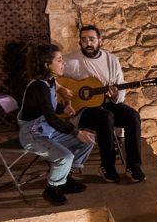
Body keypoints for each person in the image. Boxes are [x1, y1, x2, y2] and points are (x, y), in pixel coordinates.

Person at [62, 24, 146, 183]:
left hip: (107, 104)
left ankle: (134, 166)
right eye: (84, 39)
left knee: (132, 116)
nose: (88, 43)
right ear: (80, 42)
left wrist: (115, 96)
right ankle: (107, 166)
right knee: (105, 117)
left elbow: (120, 92)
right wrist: (63, 94)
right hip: (82, 110)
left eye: (92, 39)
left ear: (100, 41)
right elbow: (54, 78)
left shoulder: (111, 60)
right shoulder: (70, 61)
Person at [17, 42, 95, 206]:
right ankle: (51, 189)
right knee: (65, 156)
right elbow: (51, 117)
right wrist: (75, 132)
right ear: (47, 65)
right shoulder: (39, 86)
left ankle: (65, 178)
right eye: (59, 60)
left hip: (47, 130)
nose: (63, 63)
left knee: (88, 140)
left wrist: (63, 108)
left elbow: (48, 106)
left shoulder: (50, 81)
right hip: (33, 135)